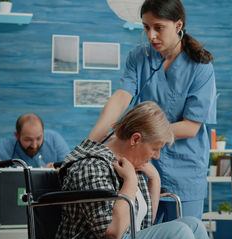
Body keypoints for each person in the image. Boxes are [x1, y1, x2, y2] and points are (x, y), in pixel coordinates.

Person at [56, 101, 227, 239]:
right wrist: (129, 182)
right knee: (178, 233)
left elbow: (143, 226)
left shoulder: (129, 163)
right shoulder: (91, 166)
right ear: (135, 139)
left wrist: (154, 181)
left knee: (194, 226)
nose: (156, 156)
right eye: (155, 148)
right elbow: (112, 233)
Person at [88, 0, 217, 222]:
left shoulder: (200, 66)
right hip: (143, 167)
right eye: (146, 27)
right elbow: (120, 98)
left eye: (158, 27)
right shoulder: (139, 57)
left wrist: (140, 134)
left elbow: (191, 126)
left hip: (185, 171)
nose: (151, 36)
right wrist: (91, 142)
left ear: (178, 25)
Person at [0, 113, 70, 189]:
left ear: (43, 133)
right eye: (28, 139)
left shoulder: (54, 140)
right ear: (17, 136)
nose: (34, 145)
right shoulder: (5, 146)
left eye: (39, 138)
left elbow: (71, 177)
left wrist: (56, 174)